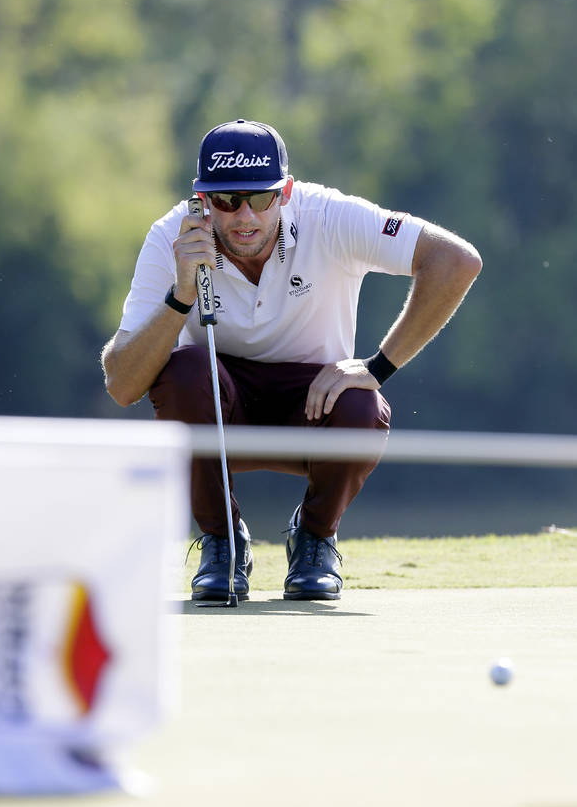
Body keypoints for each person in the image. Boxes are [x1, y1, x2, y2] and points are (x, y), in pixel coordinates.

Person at [101, 119, 482, 602]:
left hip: (315, 408)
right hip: (217, 409)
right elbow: (121, 384)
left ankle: (316, 539)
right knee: (184, 372)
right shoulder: (169, 239)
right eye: (226, 200)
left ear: (286, 191)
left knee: (362, 403)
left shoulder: (330, 215)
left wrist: (377, 367)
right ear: (201, 200)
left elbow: (456, 261)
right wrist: (180, 294)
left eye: (260, 199)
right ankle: (222, 541)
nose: (244, 217)